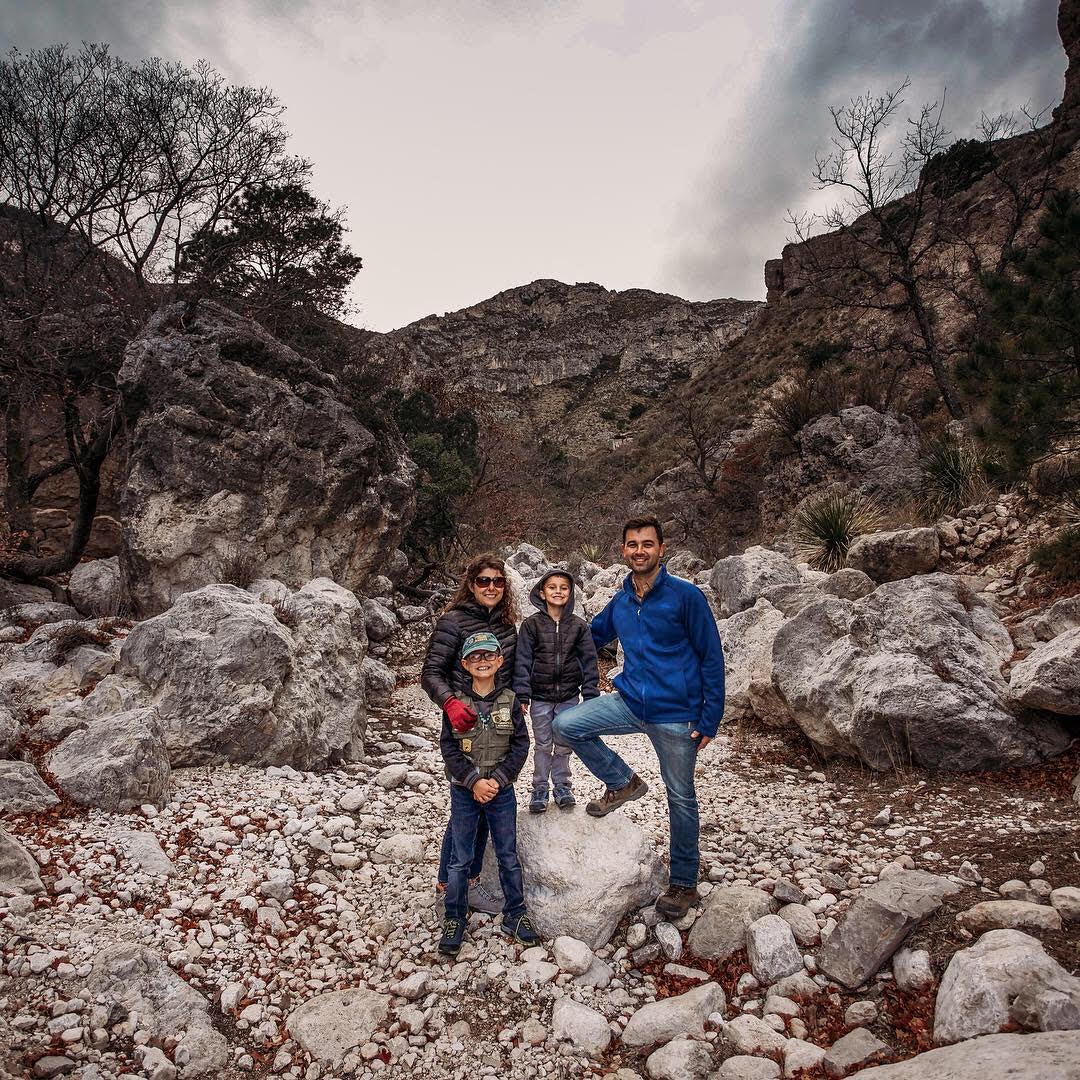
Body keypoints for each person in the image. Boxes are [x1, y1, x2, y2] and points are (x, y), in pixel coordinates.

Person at [554, 515, 725, 920]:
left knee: (681, 797)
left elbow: (711, 657)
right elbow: (592, 636)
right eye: (632, 544)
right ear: (623, 551)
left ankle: (683, 883)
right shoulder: (622, 600)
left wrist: (710, 716)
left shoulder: (686, 597)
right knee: (566, 726)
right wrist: (547, 631)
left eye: (647, 544)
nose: (640, 551)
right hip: (630, 701)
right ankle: (623, 781)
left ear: (662, 550)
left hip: (677, 713)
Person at [421, 553, 518, 916]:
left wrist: (517, 702)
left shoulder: (508, 626)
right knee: (466, 805)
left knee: (489, 798)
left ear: (504, 587)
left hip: (501, 724)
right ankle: (450, 889)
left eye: (498, 581)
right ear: (471, 583)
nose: (491, 587)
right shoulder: (453, 621)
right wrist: (449, 703)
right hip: (463, 726)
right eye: (483, 581)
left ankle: (469, 883)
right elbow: (431, 672)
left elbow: (515, 671)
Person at [438, 630, 540, 955]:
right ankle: (454, 917)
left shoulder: (510, 700)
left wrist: (498, 778)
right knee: (460, 859)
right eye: (475, 657)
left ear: (499, 660)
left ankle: (516, 913)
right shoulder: (455, 703)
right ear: (466, 664)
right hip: (464, 791)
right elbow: (449, 748)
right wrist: (472, 780)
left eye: (488, 656)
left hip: (501, 791)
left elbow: (521, 745)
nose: (482, 662)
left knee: (508, 856)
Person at [513, 569, 599, 813]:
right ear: (542, 592)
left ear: (570, 593)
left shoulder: (579, 626)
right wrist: (522, 695)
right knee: (542, 744)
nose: (558, 591)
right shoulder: (531, 625)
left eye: (563, 587)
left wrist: (590, 695)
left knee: (563, 745)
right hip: (540, 697)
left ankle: (563, 786)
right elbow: (522, 661)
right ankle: (539, 788)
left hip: (569, 697)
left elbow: (589, 661)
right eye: (552, 587)